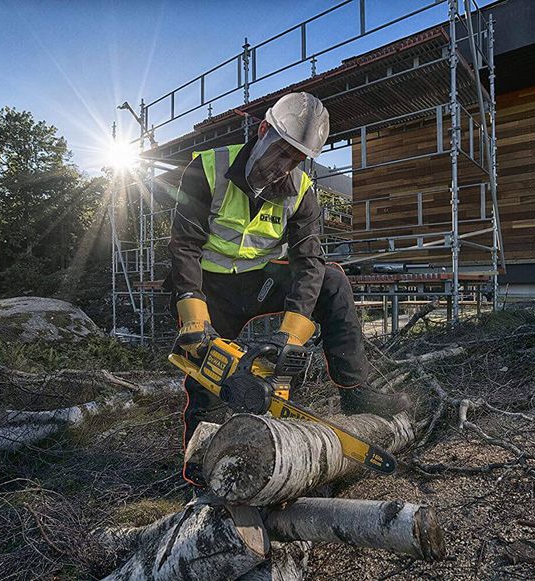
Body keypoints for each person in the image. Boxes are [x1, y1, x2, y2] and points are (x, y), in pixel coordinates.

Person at [166, 92, 411, 484]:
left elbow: (308, 261)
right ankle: (199, 470)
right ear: (263, 131)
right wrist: (194, 320)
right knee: (207, 378)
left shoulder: (301, 190)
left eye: (295, 160)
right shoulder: (208, 169)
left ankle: (356, 389)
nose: (283, 167)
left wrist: (290, 337)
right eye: (280, 153)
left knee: (331, 279)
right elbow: (184, 246)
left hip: (260, 281)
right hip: (208, 285)